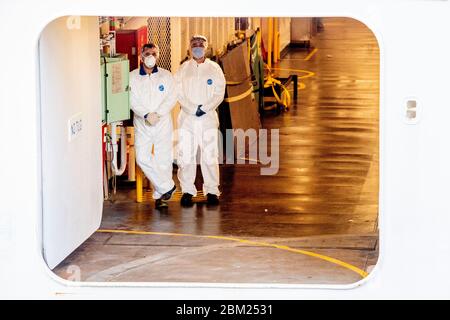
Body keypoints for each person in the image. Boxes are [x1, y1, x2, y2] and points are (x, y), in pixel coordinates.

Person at [174, 35, 226, 206]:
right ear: (189, 48)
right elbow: (178, 92)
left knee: (210, 155)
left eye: (200, 45)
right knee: (186, 156)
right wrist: (191, 108)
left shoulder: (214, 68)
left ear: (206, 47)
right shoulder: (183, 69)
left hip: (208, 118)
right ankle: (187, 191)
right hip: (187, 119)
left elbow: (219, 92)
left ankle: (212, 191)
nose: (197, 47)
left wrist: (203, 108)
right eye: (194, 44)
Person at [130, 43, 177, 209]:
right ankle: (167, 187)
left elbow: (172, 97)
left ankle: (160, 196)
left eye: (154, 53)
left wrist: (158, 113)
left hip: (162, 122)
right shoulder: (133, 77)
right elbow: (131, 99)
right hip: (142, 123)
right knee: (142, 157)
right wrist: (145, 114)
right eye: (147, 53)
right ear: (141, 56)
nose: (150, 56)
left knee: (163, 158)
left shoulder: (166, 76)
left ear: (158, 56)